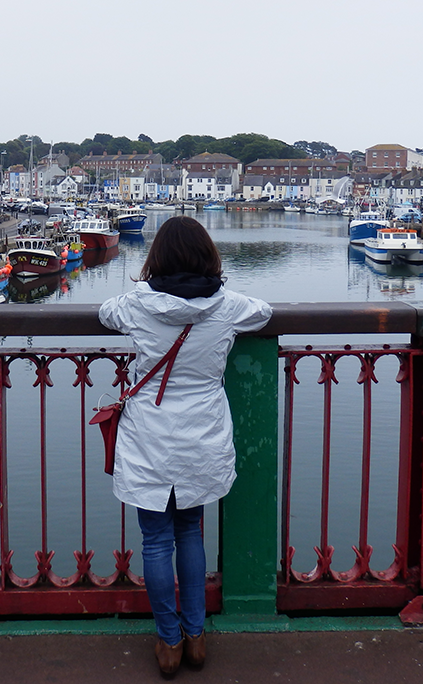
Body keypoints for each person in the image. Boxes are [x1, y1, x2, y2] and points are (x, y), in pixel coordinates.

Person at [98, 216, 271, 677]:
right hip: (201, 430)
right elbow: (264, 313)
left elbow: (105, 313)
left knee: (155, 540)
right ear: (208, 256)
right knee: (190, 530)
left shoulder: (137, 304)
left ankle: (169, 641)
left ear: (157, 259)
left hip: (150, 433)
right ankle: (196, 637)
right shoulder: (229, 305)